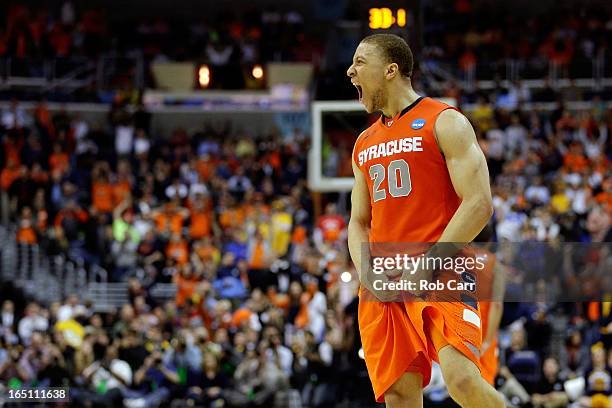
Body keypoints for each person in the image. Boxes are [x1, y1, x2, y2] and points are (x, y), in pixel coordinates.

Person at [346, 34, 503, 407]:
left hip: (441, 266)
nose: (351, 70)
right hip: (383, 278)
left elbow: (480, 203)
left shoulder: (444, 121)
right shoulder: (363, 144)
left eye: (360, 62)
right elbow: (358, 222)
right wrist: (366, 272)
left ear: (390, 70)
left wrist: (428, 264)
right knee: (400, 396)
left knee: (463, 380)